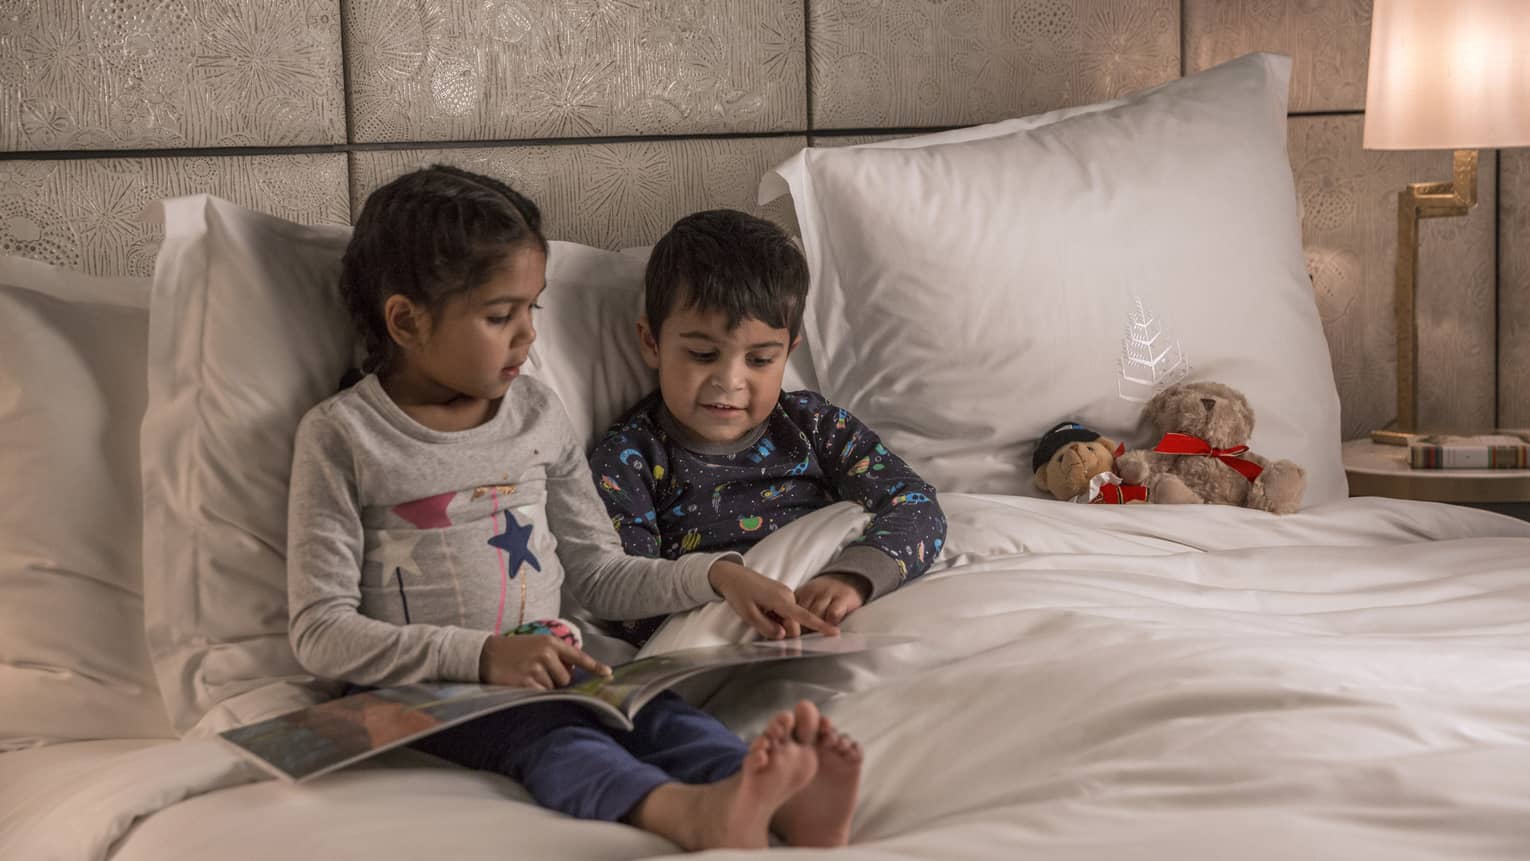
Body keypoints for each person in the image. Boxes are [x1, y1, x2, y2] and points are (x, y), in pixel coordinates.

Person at [285, 166, 860, 849]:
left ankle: (774, 801)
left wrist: (715, 575)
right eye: (501, 315)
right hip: (428, 691)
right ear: (407, 320)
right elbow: (319, 633)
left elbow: (597, 572)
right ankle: (685, 814)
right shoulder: (344, 436)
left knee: (660, 716)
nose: (528, 336)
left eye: (533, 308)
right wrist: (484, 656)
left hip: (556, 662)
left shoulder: (535, 412)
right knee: (556, 740)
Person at [590, 209, 947, 647]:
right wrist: (727, 592)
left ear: (787, 353)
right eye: (703, 354)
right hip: (725, 635)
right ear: (652, 344)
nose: (730, 381)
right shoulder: (631, 458)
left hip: (834, 618)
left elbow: (916, 505)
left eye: (759, 360)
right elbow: (622, 593)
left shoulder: (815, 426)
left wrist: (853, 578)